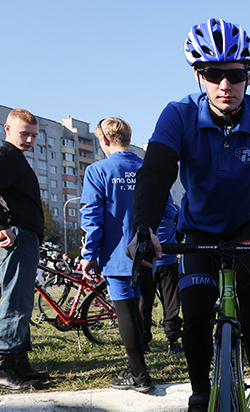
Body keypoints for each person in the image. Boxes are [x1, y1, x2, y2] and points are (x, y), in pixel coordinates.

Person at [130, 18, 250, 412]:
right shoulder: (177, 115)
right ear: (199, 75)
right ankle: (199, 392)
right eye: (213, 75)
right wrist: (144, 227)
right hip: (200, 228)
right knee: (194, 309)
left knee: (249, 282)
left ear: (249, 76)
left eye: (234, 75)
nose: (224, 85)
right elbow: (156, 173)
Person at [80, 117, 155, 393]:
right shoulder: (146, 168)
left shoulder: (98, 171)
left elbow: (92, 216)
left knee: (124, 310)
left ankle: (139, 375)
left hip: (116, 253)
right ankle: (137, 368)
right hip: (146, 251)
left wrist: (88, 254)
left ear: (104, 140)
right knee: (137, 309)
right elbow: (168, 208)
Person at [0, 108, 48, 392]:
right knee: (16, 300)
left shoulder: (14, 158)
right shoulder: (5, 156)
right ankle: (2, 368)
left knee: (22, 300)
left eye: (34, 136)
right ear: (7, 129)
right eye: (24, 133)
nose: (30, 140)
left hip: (23, 235)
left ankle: (19, 362)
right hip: (16, 236)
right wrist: (2, 222)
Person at [138, 197, 182, 353]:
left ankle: (173, 340)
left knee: (172, 304)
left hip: (168, 260)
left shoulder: (172, 205)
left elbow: (181, 225)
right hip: (147, 262)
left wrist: (175, 243)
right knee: (144, 303)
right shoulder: (140, 203)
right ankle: (143, 342)